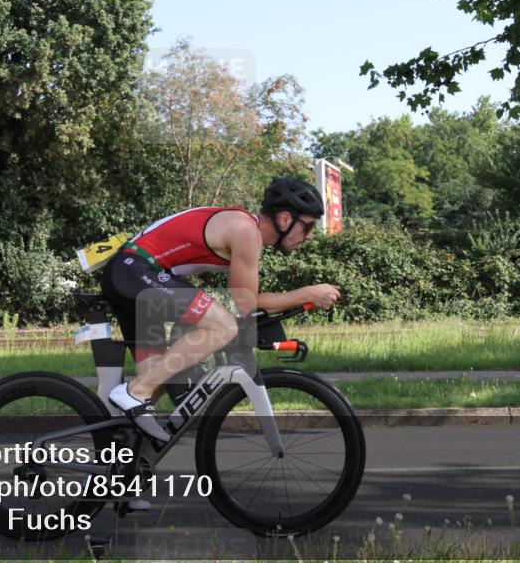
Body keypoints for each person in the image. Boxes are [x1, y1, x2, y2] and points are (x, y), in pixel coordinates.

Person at [100, 176, 342, 441]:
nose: (307, 237)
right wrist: (308, 293)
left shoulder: (243, 227)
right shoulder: (246, 231)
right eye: (306, 228)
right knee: (222, 326)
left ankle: (116, 463)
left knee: (157, 381)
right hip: (134, 272)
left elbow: (245, 303)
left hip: (132, 274)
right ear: (285, 219)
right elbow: (247, 303)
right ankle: (134, 393)